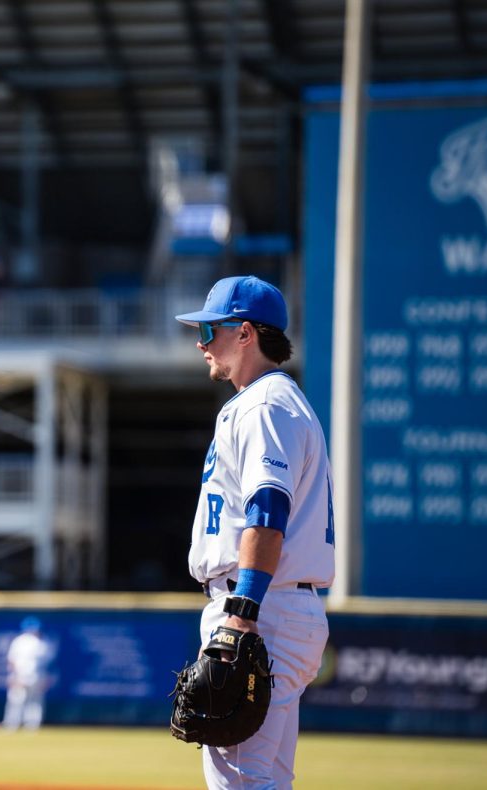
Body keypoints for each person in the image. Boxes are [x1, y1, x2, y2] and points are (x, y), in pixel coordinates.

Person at [174, 275, 335, 789]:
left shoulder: (266, 405)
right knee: (264, 780)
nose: (201, 343)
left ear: (245, 333)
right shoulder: (269, 402)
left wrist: (242, 612)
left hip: (262, 608)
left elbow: (268, 511)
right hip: (279, 606)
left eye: (210, 330)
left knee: (241, 782)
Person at [1, 616, 51, 731]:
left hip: (35, 675)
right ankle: (12, 724)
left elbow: (47, 664)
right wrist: (15, 676)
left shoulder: (42, 642)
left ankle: (30, 725)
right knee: (18, 700)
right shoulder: (21, 641)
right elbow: (12, 660)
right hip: (22, 675)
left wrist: (46, 678)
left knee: (32, 701)